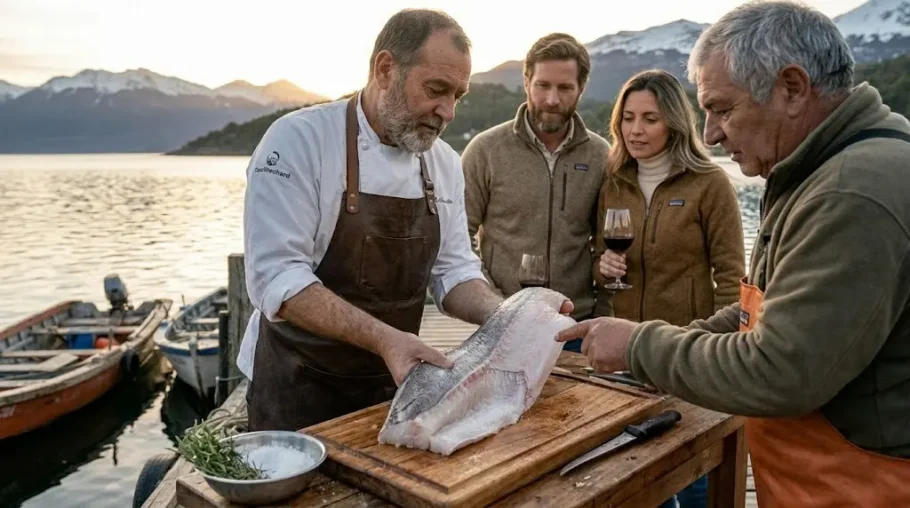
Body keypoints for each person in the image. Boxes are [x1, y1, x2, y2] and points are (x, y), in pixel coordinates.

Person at [557, 1, 910, 506]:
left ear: (792, 88)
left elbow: (780, 371)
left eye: (722, 109)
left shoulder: (850, 191)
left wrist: (641, 347)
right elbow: (758, 312)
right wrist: (663, 341)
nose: (711, 134)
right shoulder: (821, 168)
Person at [237, 9, 571, 432]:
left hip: (391, 390)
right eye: (436, 89)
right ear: (385, 69)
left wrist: (509, 317)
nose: (448, 112)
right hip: (295, 387)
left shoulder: (444, 164)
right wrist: (384, 339)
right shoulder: (298, 141)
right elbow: (277, 278)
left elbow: (454, 272)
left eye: (458, 96)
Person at [593, 69, 745, 508]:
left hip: (687, 351)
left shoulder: (709, 184)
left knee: (689, 470)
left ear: (675, 123)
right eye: (628, 118)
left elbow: (732, 277)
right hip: (624, 351)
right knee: (631, 466)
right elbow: (597, 262)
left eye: (650, 119)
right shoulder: (614, 181)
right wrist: (602, 267)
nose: (635, 130)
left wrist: (719, 353)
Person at [461, 33, 610, 352]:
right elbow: (459, 238)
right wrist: (491, 302)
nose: (553, 99)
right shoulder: (485, 150)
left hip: (577, 325)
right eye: (543, 85)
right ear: (526, 81)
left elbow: (606, 242)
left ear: (580, 89)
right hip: (502, 324)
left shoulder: (601, 156)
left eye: (565, 88)